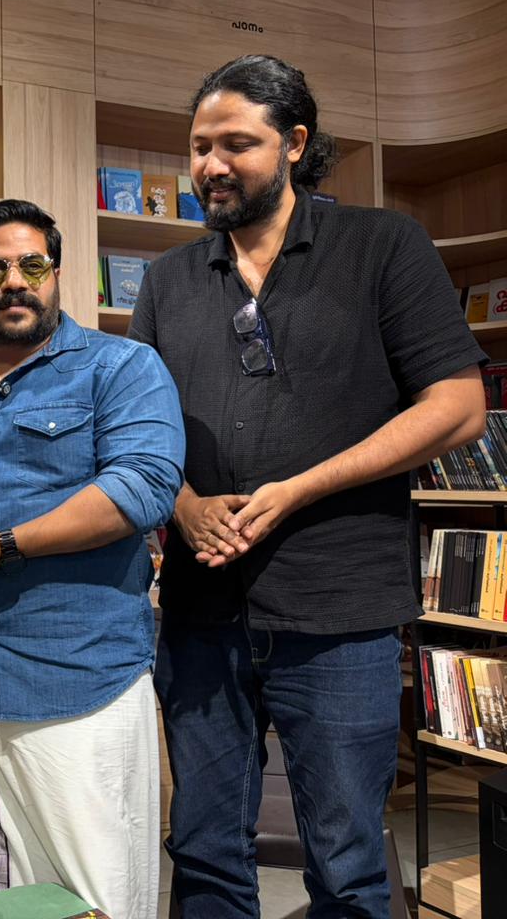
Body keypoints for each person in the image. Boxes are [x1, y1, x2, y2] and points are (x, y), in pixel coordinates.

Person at [129, 54, 487, 919]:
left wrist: (297, 489)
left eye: (236, 144)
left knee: (348, 861)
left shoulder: (383, 245)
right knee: (203, 851)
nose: (211, 165)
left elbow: (458, 407)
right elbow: (138, 430)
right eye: (199, 146)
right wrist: (183, 504)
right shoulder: (169, 279)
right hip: (201, 611)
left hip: (339, 613)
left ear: (294, 142)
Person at [0, 199, 185, 919]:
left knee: (94, 894)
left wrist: (4, 546)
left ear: (56, 273)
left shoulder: (122, 367)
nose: (15, 281)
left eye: (32, 265)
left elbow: (143, 488)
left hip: (78, 680)